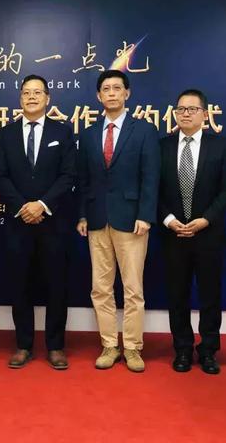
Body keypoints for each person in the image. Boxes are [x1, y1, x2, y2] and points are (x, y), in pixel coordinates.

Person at [77, 69, 160, 372]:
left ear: (127, 93)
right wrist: (82, 214)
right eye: (106, 89)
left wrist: (146, 215)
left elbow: (151, 176)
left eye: (117, 88)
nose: (111, 93)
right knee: (100, 288)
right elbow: (83, 179)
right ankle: (109, 345)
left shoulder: (144, 130)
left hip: (132, 220)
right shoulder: (88, 134)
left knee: (133, 288)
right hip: (97, 219)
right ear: (98, 96)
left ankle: (134, 348)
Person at [0, 74, 76, 370]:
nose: (31, 97)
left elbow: (68, 175)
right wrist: (22, 206)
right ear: (20, 98)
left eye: (37, 92)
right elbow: (1, 176)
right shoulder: (6, 134)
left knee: (56, 285)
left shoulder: (62, 132)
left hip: (53, 222)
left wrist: (41, 205)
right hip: (18, 223)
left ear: (47, 98)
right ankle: (23, 345)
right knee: (20, 285)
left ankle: (55, 346)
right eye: (26, 93)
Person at [158, 89, 226, 374]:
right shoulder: (162, 146)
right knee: (176, 295)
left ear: (205, 113)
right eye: (181, 109)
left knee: (210, 295)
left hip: (208, 234)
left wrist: (206, 220)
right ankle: (182, 348)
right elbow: (153, 189)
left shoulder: (221, 146)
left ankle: (208, 350)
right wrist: (168, 219)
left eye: (192, 109)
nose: (186, 114)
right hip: (173, 234)